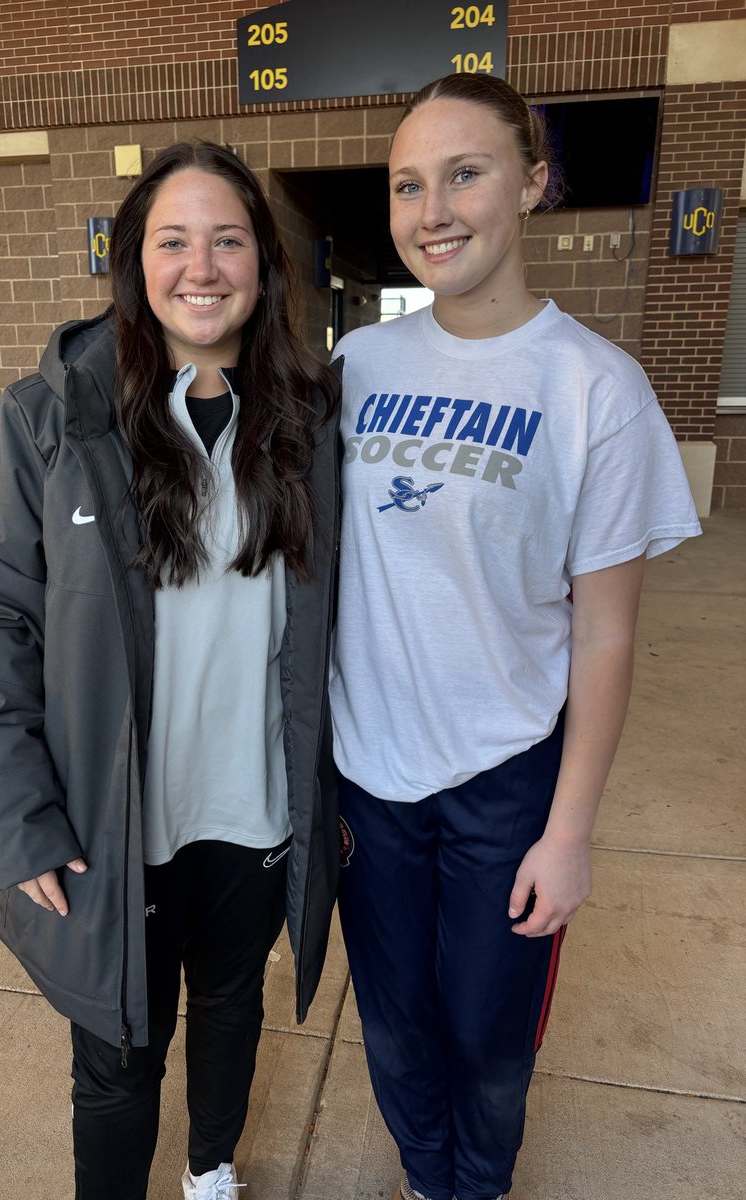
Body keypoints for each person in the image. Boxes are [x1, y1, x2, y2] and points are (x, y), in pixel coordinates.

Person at [0, 141, 341, 1200]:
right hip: (110, 823)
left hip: (253, 810)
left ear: (264, 263)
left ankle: (212, 1170)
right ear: (133, 262)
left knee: (230, 1009)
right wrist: (20, 820)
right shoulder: (51, 420)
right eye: (173, 240)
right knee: (116, 1056)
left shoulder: (309, 421)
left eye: (227, 239)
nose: (200, 267)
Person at [329, 74, 702, 1200]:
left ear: (533, 184)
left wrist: (570, 830)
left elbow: (605, 637)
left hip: (506, 779)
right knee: (393, 1028)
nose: (431, 209)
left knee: (489, 1041)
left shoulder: (598, 390)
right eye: (407, 184)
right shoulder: (354, 369)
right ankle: (423, 1175)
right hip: (365, 777)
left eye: (465, 173)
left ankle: (474, 1185)